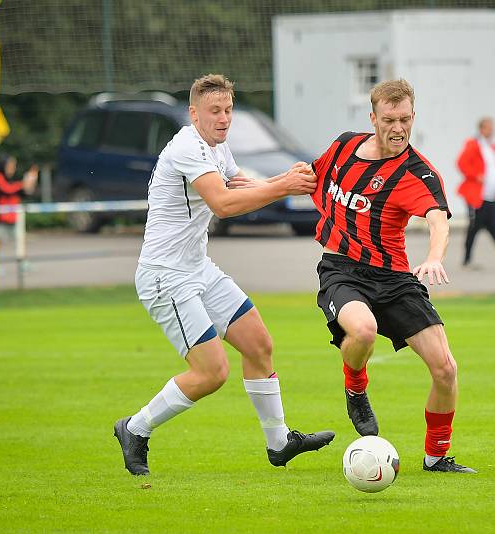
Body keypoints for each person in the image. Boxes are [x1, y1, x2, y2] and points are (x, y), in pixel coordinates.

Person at [114, 74, 334, 476]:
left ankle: (279, 442)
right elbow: (224, 204)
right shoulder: (186, 146)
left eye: (229, 110)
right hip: (166, 277)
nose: (224, 118)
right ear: (193, 113)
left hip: (198, 268)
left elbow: (241, 186)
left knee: (258, 344)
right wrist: (284, 186)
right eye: (215, 111)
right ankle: (135, 427)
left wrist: (291, 181)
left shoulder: (217, 146)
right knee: (212, 372)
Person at [310, 79, 475, 474]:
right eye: (389, 119)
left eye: (405, 119)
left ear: (413, 116)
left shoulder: (418, 173)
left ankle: (436, 456)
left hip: (396, 278)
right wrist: (261, 188)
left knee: (446, 369)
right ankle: (356, 385)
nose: (398, 127)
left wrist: (434, 257)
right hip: (342, 270)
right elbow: (308, 178)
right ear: (373, 118)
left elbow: (438, 221)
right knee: (363, 331)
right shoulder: (344, 147)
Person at [456, 117, 495, 266]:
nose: (492, 130)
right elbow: (461, 163)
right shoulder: (474, 145)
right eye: (489, 127)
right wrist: (475, 176)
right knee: (474, 227)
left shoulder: (491, 147)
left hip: (491, 196)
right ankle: (467, 259)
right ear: (482, 128)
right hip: (477, 196)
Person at [0, 154, 38, 258]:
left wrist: (30, 182)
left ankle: (23, 263)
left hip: (14, 216)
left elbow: (24, 193)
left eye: (13, 165)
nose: (12, 168)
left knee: (21, 240)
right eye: (10, 165)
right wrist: (22, 185)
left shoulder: (14, 178)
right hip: (1, 217)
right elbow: (7, 189)